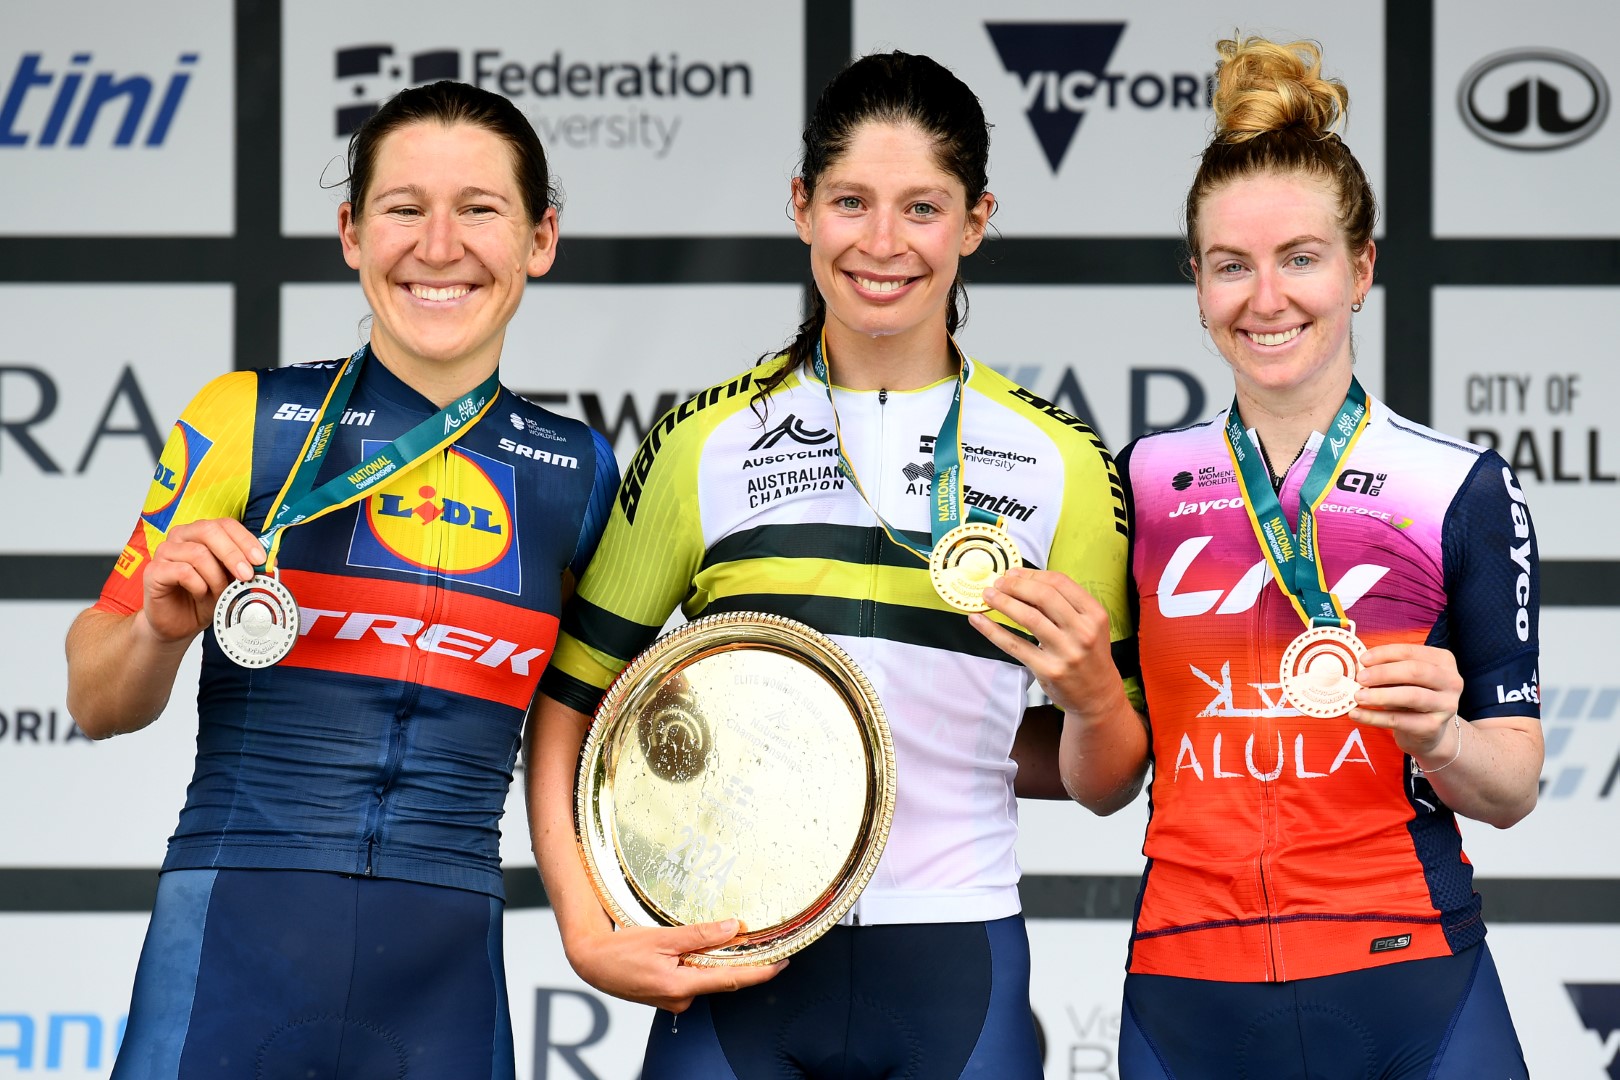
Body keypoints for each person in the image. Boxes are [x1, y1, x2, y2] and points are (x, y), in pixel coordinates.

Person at [530, 50, 1147, 1079]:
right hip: (731, 954)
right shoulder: (702, 443)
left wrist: (1090, 705)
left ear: (976, 221)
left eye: (923, 208)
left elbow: (1108, 778)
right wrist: (586, 927)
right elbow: (570, 705)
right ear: (802, 207)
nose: (883, 244)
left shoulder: (1064, 464)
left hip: (954, 959)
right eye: (851, 201)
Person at [63, 80, 618, 1079]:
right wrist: (154, 630)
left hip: (444, 970)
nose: (439, 245)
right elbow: (97, 701)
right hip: (233, 943)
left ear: (541, 239)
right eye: (403, 208)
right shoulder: (249, 418)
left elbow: (578, 738)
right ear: (351, 233)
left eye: (480, 209)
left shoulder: (578, 474)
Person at [1103, 36, 1544, 1079]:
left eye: (1300, 257)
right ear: (1197, 283)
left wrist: (1440, 735)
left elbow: (1513, 785)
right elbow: (1105, 761)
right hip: (1188, 985)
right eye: (1230, 266)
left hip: (1410, 978)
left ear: (1361, 269)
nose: (1267, 298)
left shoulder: (1461, 486)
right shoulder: (1141, 482)